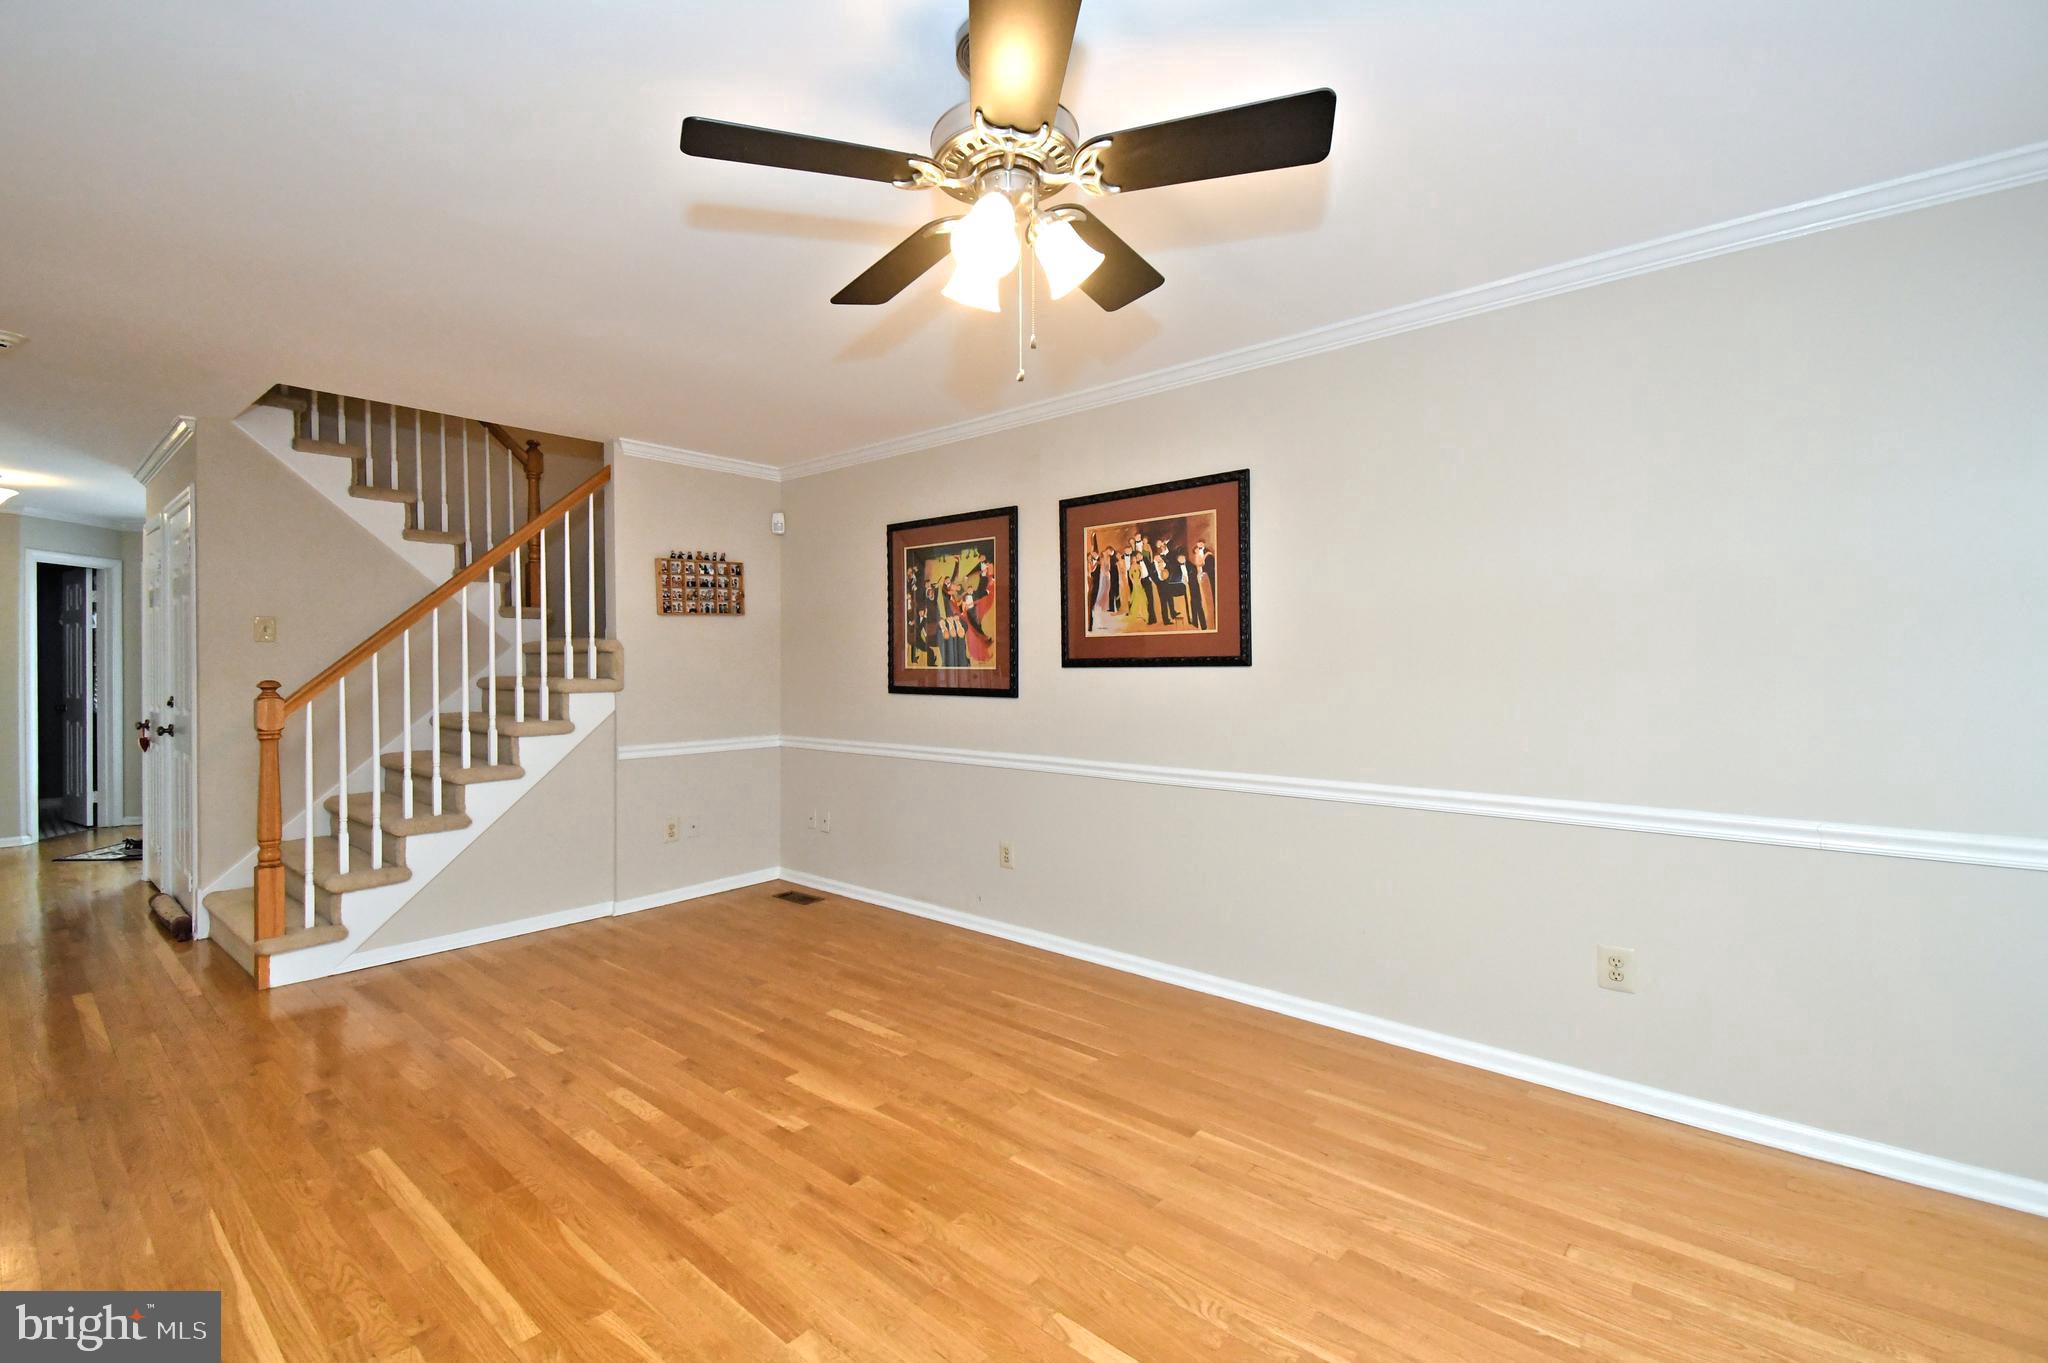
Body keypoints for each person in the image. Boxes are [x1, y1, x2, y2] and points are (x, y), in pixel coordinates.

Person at [1177, 550, 1208, 629]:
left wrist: (1186, 579)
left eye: (1182, 558)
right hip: (1186, 588)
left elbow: (1193, 576)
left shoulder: (1191, 565)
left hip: (1194, 587)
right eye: (1179, 559)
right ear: (1177, 560)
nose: (1181, 559)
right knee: (1192, 606)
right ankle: (1195, 624)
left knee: (1198, 606)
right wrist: (1182, 580)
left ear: (1185, 557)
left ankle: (1203, 625)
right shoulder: (1177, 568)